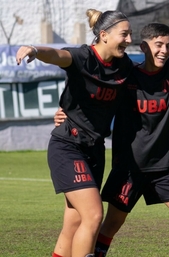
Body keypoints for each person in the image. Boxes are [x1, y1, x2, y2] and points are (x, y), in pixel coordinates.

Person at [53, 23, 169, 256]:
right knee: (110, 226)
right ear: (144, 47)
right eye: (158, 45)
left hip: (163, 168)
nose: (164, 50)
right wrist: (65, 112)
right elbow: (94, 93)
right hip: (129, 168)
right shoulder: (126, 76)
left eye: (168, 45)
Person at [16, 8, 133, 257]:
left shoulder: (125, 66)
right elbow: (58, 55)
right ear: (104, 35)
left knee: (73, 224)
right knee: (93, 215)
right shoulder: (83, 57)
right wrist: (35, 50)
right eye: (125, 34)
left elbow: (153, 76)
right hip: (68, 146)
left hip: (95, 149)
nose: (129, 40)